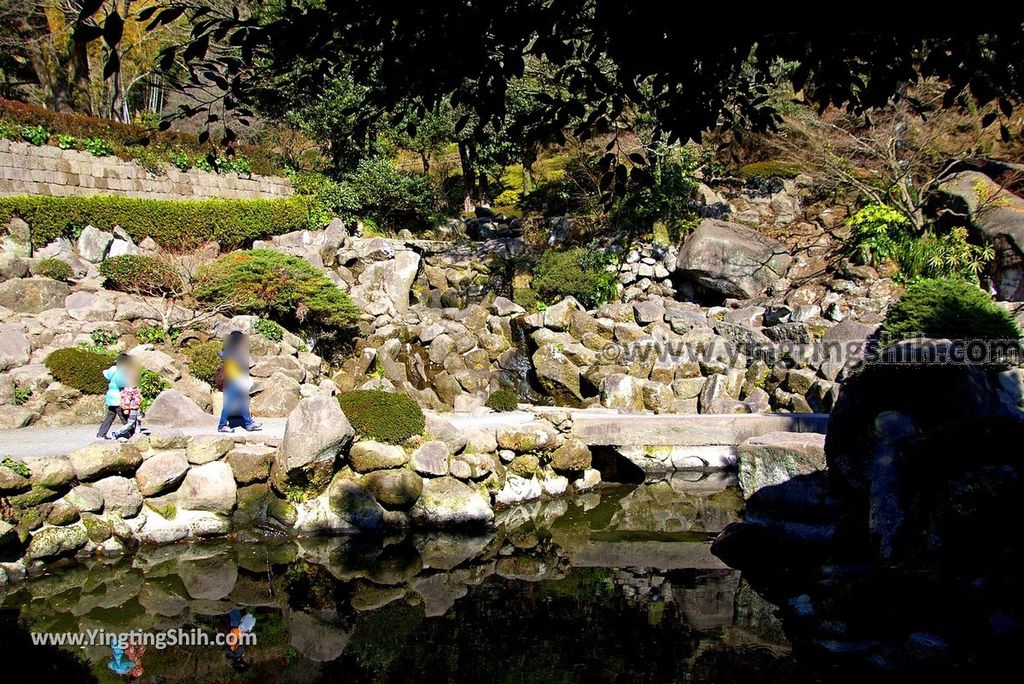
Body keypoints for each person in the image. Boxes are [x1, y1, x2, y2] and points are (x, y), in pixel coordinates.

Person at [218, 331, 261, 433]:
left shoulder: (230, 350)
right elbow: (238, 366)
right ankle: (222, 425)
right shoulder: (232, 351)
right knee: (229, 404)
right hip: (233, 381)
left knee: (243, 403)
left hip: (237, 380)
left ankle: (248, 423)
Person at [97, 353, 131, 438]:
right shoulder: (121, 371)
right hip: (118, 398)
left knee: (110, 417)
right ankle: (132, 433)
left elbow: (107, 374)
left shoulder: (113, 370)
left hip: (111, 397)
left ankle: (100, 435)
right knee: (124, 417)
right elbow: (120, 382)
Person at [111, 364, 143, 441]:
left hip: (137, 406)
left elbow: (137, 396)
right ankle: (117, 432)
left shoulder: (135, 388)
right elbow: (126, 399)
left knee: (138, 419)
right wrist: (126, 408)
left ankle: (137, 434)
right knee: (130, 422)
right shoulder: (128, 389)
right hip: (132, 407)